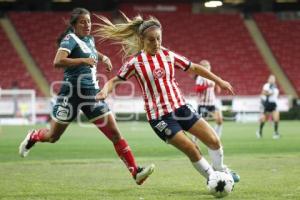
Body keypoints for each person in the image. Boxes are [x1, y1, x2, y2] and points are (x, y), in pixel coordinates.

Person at [94, 13, 240, 183]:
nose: (156, 43)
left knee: (214, 141)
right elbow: (114, 81)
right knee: (191, 148)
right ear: (142, 40)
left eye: (158, 39)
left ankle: (221, 169)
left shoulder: (168, 55)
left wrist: (219, 80)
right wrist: (105, 91)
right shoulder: (136, 63)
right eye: (151, 40)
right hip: (160, 117)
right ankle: (214, 179)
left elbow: (195, 68)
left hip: (181, 108)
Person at [18, 8, 154, 185]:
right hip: (71, 93)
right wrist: (82, 61)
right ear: (74, 25)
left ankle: (135, 172)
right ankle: (34, 136)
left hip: (92, 94)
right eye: (82, 22)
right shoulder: (70, 39)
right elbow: (57, 61)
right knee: (53, 137)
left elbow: (91, 52)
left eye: (89, 21)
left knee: (115, 134)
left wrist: (103, 57)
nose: (87, 25)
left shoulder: (89, 39)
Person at [192, 60, 223, 144]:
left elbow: (216, 86)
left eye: (209, 65)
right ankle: (194, 140)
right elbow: (197, 89)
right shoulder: (200, 78)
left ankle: (217, 138)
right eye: (206, 66)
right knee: (200, 125)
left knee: (219, 120)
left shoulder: (211, 77)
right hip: (203, 104)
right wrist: (207, 86)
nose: (209, 67)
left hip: (212, 103)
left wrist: (217, 87)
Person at [256, 74, 281, 139]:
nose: (272, 80)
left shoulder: (275, 86)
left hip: (274, 104)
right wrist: (270, 93)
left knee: (276, 119)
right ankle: (259, 131)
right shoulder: (266, 85)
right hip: (267, 104)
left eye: (273, 79)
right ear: (268, 79)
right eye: (271, 78)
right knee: (264, 120)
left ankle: (276, 133)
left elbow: (276, 95)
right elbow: (263, 93)